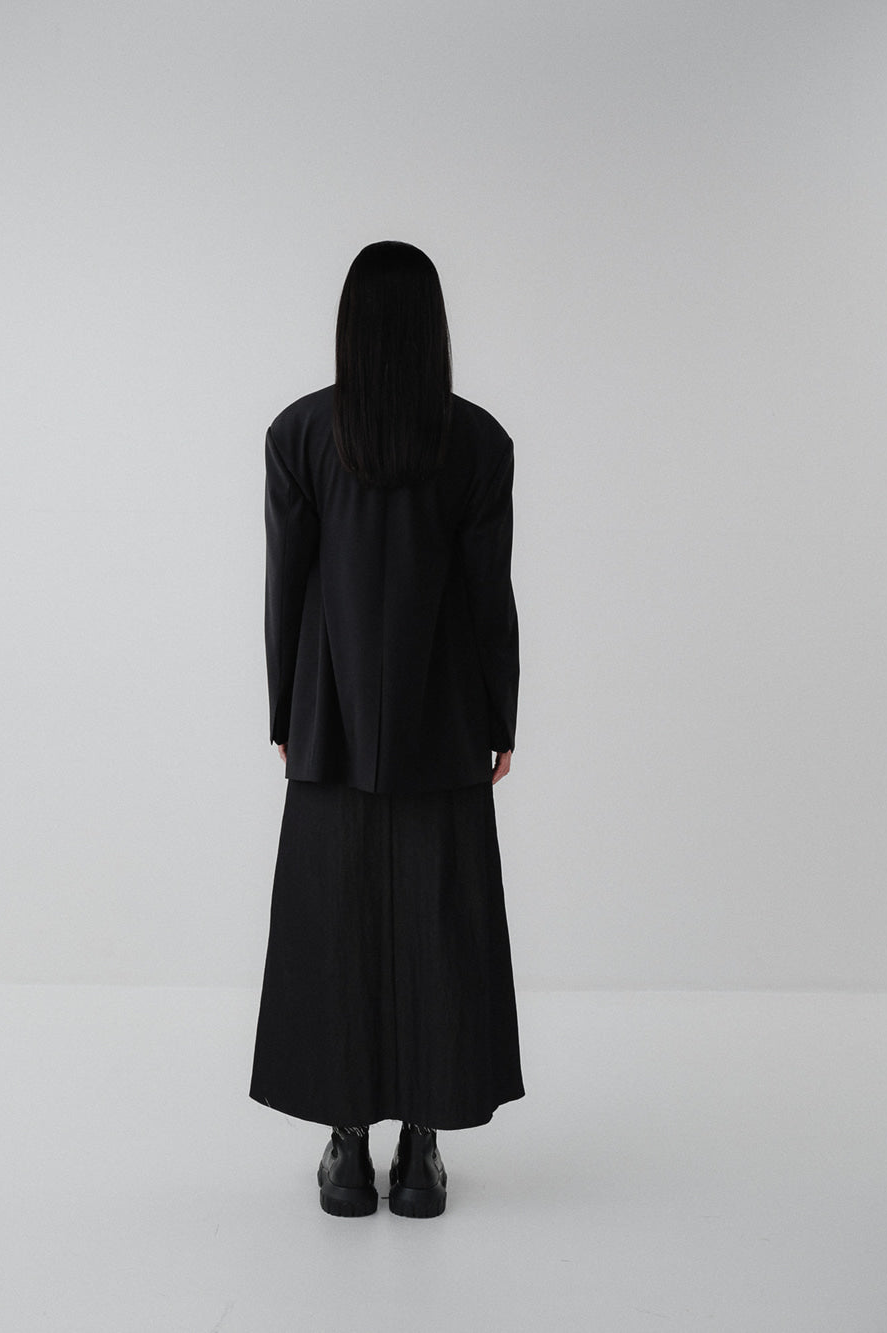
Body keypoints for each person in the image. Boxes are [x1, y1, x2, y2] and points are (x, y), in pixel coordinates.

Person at [249, 240, 524, 1219]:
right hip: (443, 721)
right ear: (432, 327)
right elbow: (488, 595)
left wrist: (286, 710)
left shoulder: (299, 433)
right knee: (439, 924)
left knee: (335, 927)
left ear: (350, 325)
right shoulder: (478, 441)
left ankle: (346, 1148)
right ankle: (420, 1151)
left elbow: (287, 586)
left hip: (328, 720)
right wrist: (500, 713)